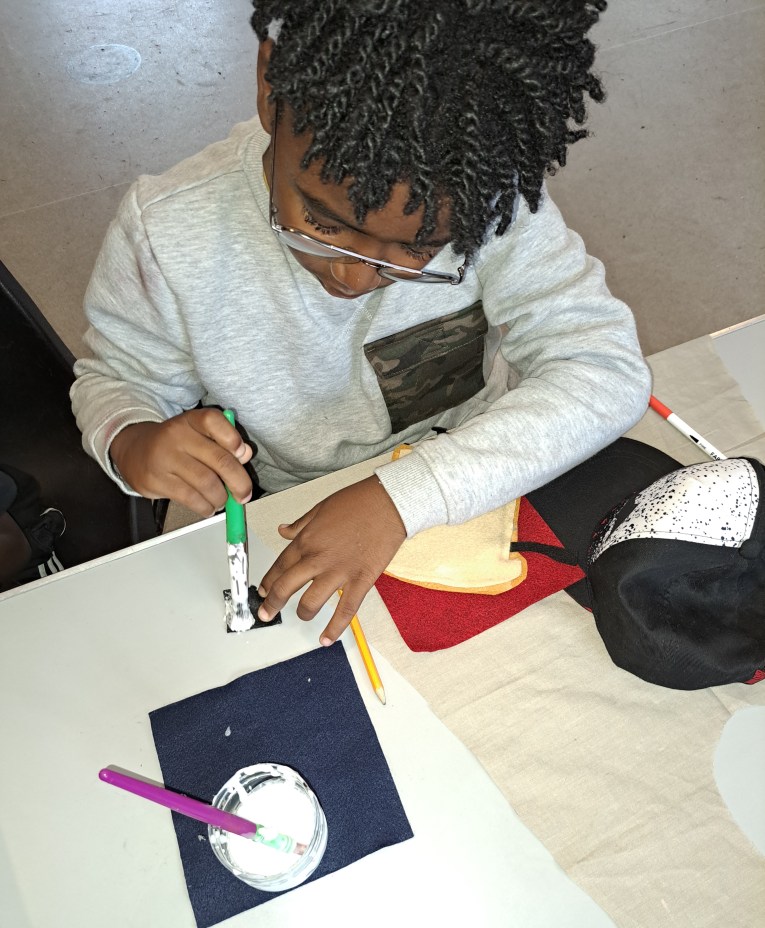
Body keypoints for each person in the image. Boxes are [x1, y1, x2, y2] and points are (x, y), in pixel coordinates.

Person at [71, 0, 651, 644]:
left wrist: (404, 496)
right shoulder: (167, 231)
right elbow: (116, 381)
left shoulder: (488, 195)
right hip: (283, 509)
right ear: (270, 87)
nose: (353, 278)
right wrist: (133, 439)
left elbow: (603, 369)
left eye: (417, 249)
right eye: (323, 222)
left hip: (471, 479)